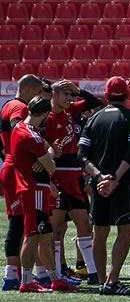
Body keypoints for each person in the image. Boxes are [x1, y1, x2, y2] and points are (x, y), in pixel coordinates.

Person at [77, 76, 130, 296]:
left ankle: (100, 281)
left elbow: (81, 154)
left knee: (100, 231)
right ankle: (112, 280)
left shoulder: (93, 120)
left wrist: (99, 177)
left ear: (105, 96)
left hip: (97, 185)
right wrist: (114, 178)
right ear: (126, 96)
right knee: (126, 231)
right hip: (121, 184)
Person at [12, 96, 76, 292]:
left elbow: (48, 152)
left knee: (46, 235)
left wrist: (47, 154)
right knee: (32, 235)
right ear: (47, 114)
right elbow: (52, 165)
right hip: (34, 189)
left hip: (36, 187)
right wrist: (48, 156)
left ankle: (54, 277)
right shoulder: (32, 136)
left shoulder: (23, 128)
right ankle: (27, 281)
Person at [45, 80, 102, 284]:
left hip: (75, 177)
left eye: (72, 96)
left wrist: (79, 91)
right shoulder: (47, 118)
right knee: (57, 228)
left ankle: (92, 272)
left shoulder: (71, 112)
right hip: (57, 176)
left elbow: (96, 102)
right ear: (54, 95)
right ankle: (59, 271)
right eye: (66, 95)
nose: (70, 99)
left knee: (85, 225)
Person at [1, 74, 48, 291]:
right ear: (30, 90)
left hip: (10, 167)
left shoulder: (7, 105)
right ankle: (13, 277)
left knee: (19, 221)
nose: (37, 99)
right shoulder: (19, 108)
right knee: (21, 224)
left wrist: (8, 156)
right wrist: (27, 157)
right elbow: (19, 131)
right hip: (18, 171)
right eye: (38, 93)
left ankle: (16, 275)